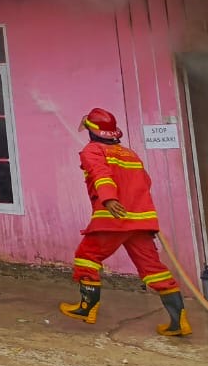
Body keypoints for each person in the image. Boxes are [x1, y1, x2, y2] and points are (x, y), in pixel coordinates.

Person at [59, 108, 192, 336]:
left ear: (92, 131)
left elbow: (101, 174)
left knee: (87, 257)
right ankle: (178, 321)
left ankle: (86, 308)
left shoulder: (92, 150)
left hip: (113, 219)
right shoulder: (129, 153)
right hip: (141, 222)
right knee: (153, 269)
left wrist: (109, 199)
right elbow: (145, 182)